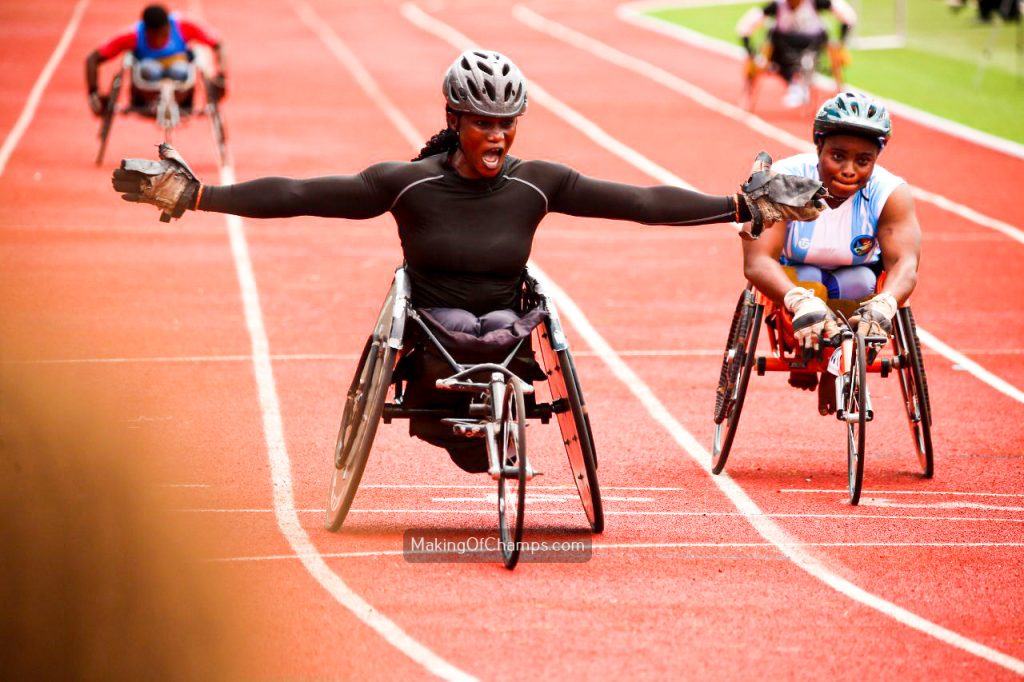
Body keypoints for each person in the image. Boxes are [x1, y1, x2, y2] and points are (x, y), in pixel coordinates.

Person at [110, 49, 825, 471]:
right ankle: (437, 419)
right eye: (483, 122)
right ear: (455, 120)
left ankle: (465, 423)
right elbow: (302, 192)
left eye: (506, 123)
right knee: (443, 371)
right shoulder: (408, 183)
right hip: (429, 331)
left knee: (514, 327)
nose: (497, 136)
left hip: (510, 327)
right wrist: (199, 194)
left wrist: (741, 206)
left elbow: (637, 201)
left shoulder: (537, 184)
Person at [741, 91, 922, 414]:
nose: (850, 169)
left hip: (855, 279)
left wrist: (885, 303)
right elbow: (758, 261)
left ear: (876, 159)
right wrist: (800, 301)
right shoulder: (784, 180)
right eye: (837, 156)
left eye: (863, 161)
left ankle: (838, 367)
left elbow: (905, 264)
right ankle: (809, 355)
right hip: (795, 277)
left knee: (865, 284)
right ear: (818, 146)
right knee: (809, 281)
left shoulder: (890, 192)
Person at [85, 4, 228, 116]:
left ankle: (175, 95)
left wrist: (221, 76)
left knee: (179, 69)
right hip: (147, 91)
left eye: (163, 34)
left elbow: (218, 44)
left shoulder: (183, 26)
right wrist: (94, 94)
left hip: (180, 91)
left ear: (168, 26)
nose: (159, 40)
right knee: (149, 69)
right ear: (146, 30)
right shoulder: (133, 35)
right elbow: (92, 58)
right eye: (154, 37)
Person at [737, 0, 857, 107]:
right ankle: (794, 82)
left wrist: (841, 43)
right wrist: (751, 53)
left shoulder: (816, 2)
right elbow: (744, 27)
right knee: (771, 38)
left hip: (813, 44)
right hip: (782, 51)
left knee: (827, 46)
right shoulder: (778, 5)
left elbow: (848, 16)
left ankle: (802, 81)